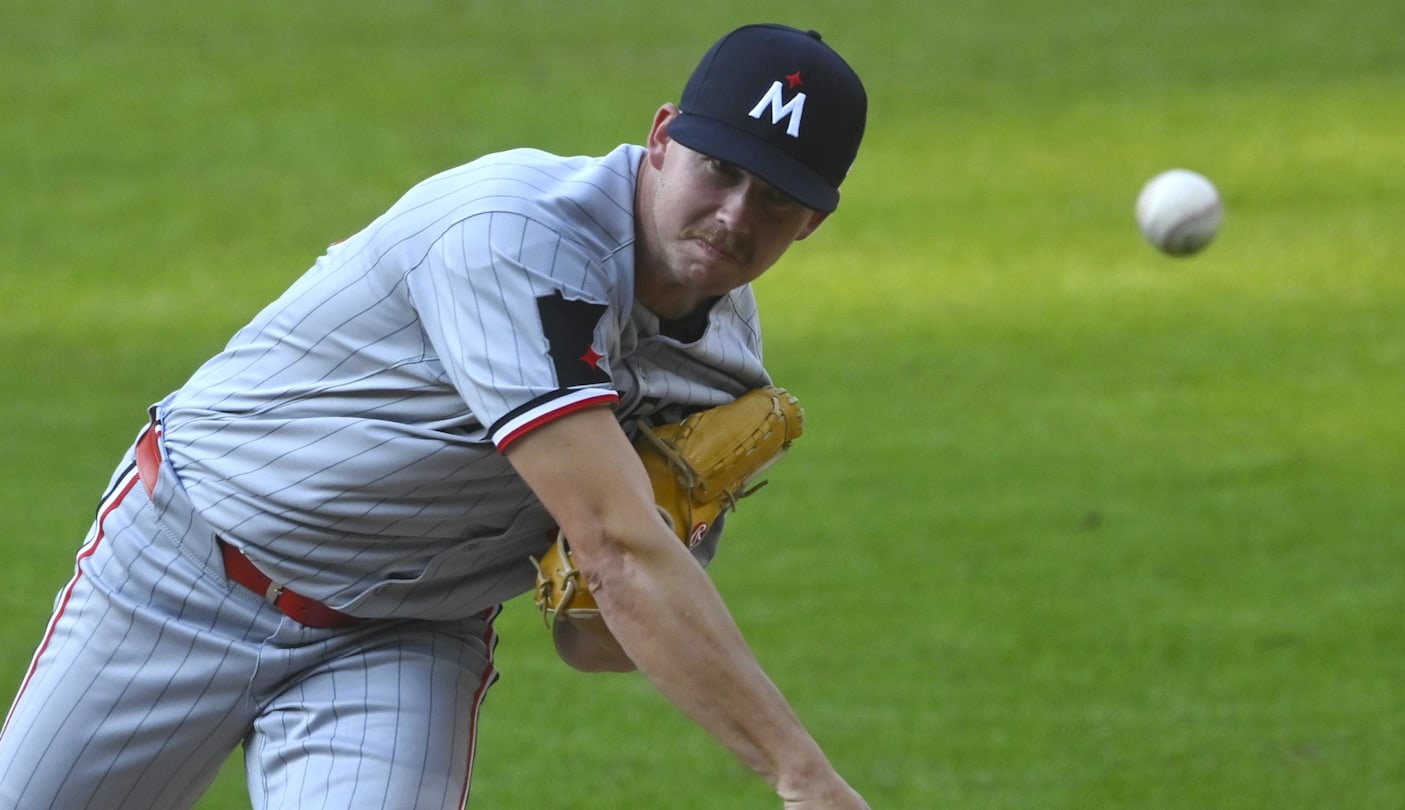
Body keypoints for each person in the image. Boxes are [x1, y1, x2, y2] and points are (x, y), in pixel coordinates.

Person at [0, 22, 868, 810]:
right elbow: (614, 551)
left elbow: (592, 638)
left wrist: (651, 551)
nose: (733, 216)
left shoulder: (721, 372)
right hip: (184, 575)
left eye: (775, 198)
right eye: (720, 170)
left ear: (813, 222)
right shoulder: (513, 233)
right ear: (664, 138)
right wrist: (806, 780)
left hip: (403, 637)